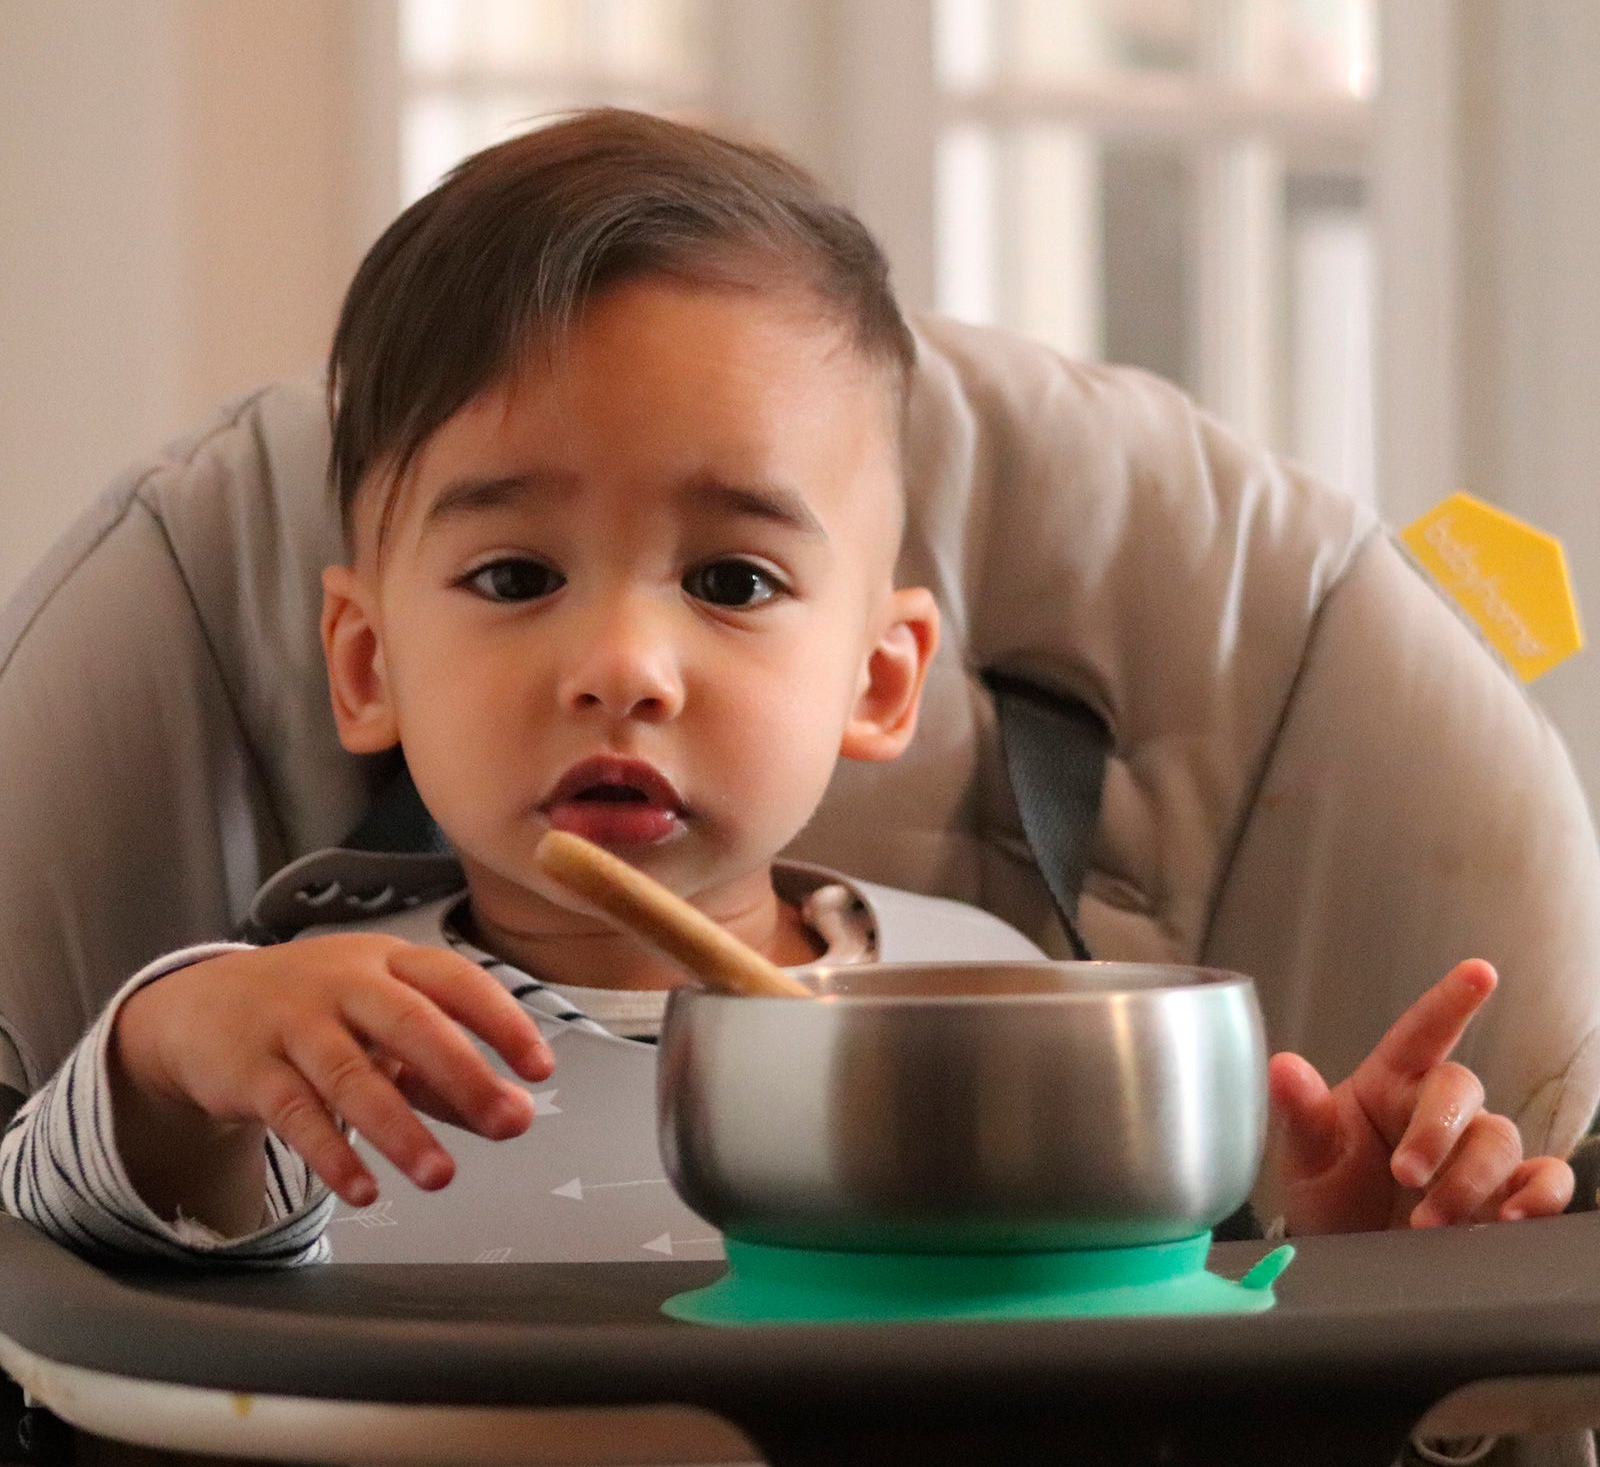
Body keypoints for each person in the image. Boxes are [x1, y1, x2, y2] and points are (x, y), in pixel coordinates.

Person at [0, 109, 1573, 1265]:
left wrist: (1336, 1257)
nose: (623, 666)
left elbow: (1140, 1383)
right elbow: (68, 1274)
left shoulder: (1004, 1014)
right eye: (514, 578)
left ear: (879, 683)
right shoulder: (323, 1026)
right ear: (366, 664)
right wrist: (166, 1055)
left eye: (733, 584)